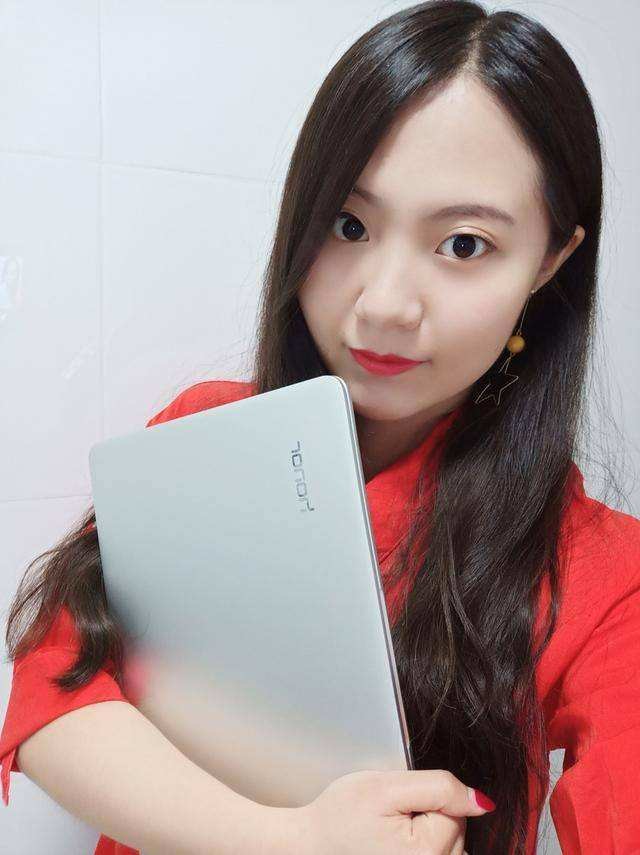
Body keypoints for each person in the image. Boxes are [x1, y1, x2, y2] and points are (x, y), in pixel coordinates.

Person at [2, 1, 639, 853]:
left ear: (551, 261)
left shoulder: (602, 572)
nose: (384, 303)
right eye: (349, 224)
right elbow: (55, 694)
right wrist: (290, 838)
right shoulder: (209, 430)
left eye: (463, 244)